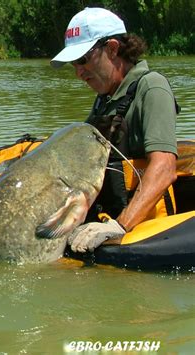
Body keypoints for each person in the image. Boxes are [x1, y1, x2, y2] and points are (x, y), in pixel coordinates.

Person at [50, 7, 178, 253]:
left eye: (82, 60)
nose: (78, 72)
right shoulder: (104, 98)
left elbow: (164, 168)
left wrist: (120, 225)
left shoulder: (152, 88)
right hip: (105, 220)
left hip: (146, 233)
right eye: (73, 64)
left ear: (112, 48)